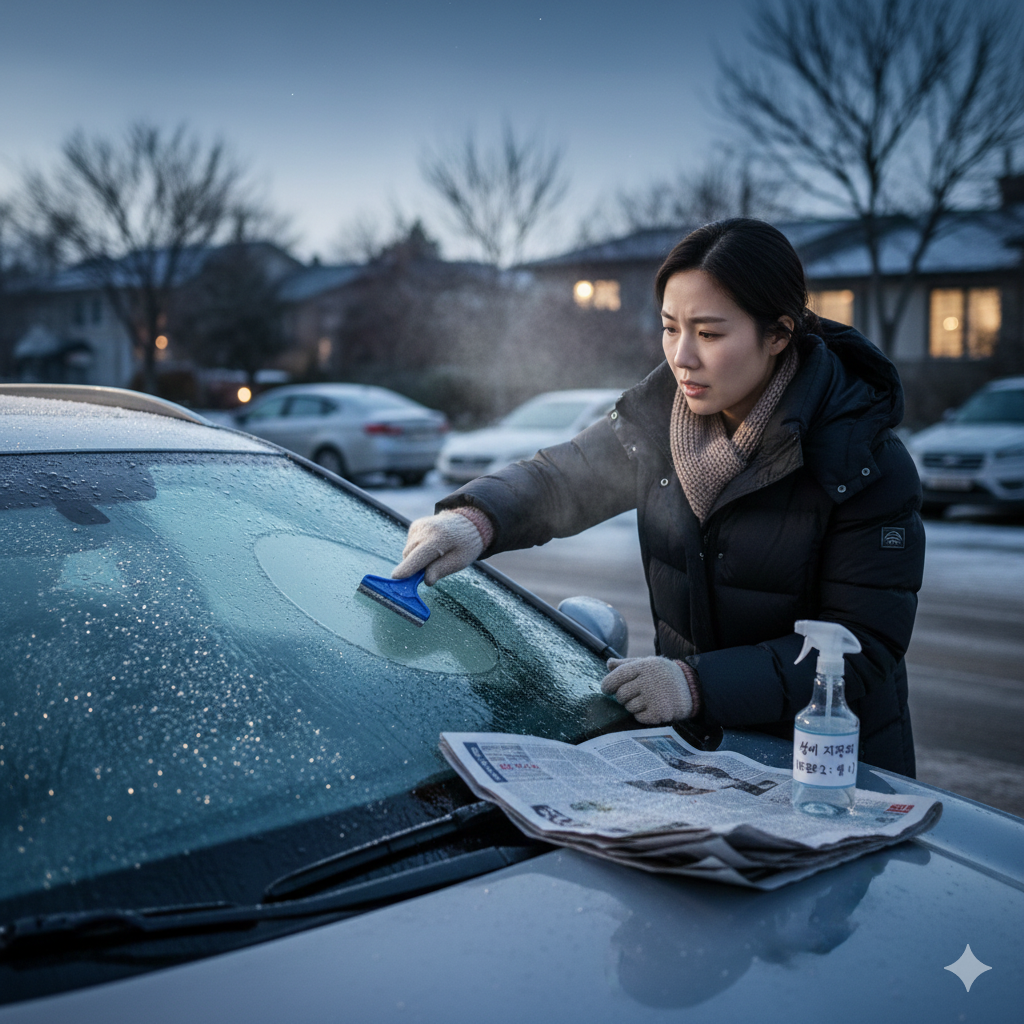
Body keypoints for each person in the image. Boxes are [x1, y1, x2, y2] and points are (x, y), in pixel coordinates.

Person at [392, 219, 925, 776]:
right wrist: (476, 518)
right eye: (670, 328)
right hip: (707, 757)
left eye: (710, 334)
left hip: (832, 770)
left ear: (778, 334)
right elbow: (563, 478)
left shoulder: (861, 459)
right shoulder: (659, 424)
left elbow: (863, 645)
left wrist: (695, 683)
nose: (682, 356)